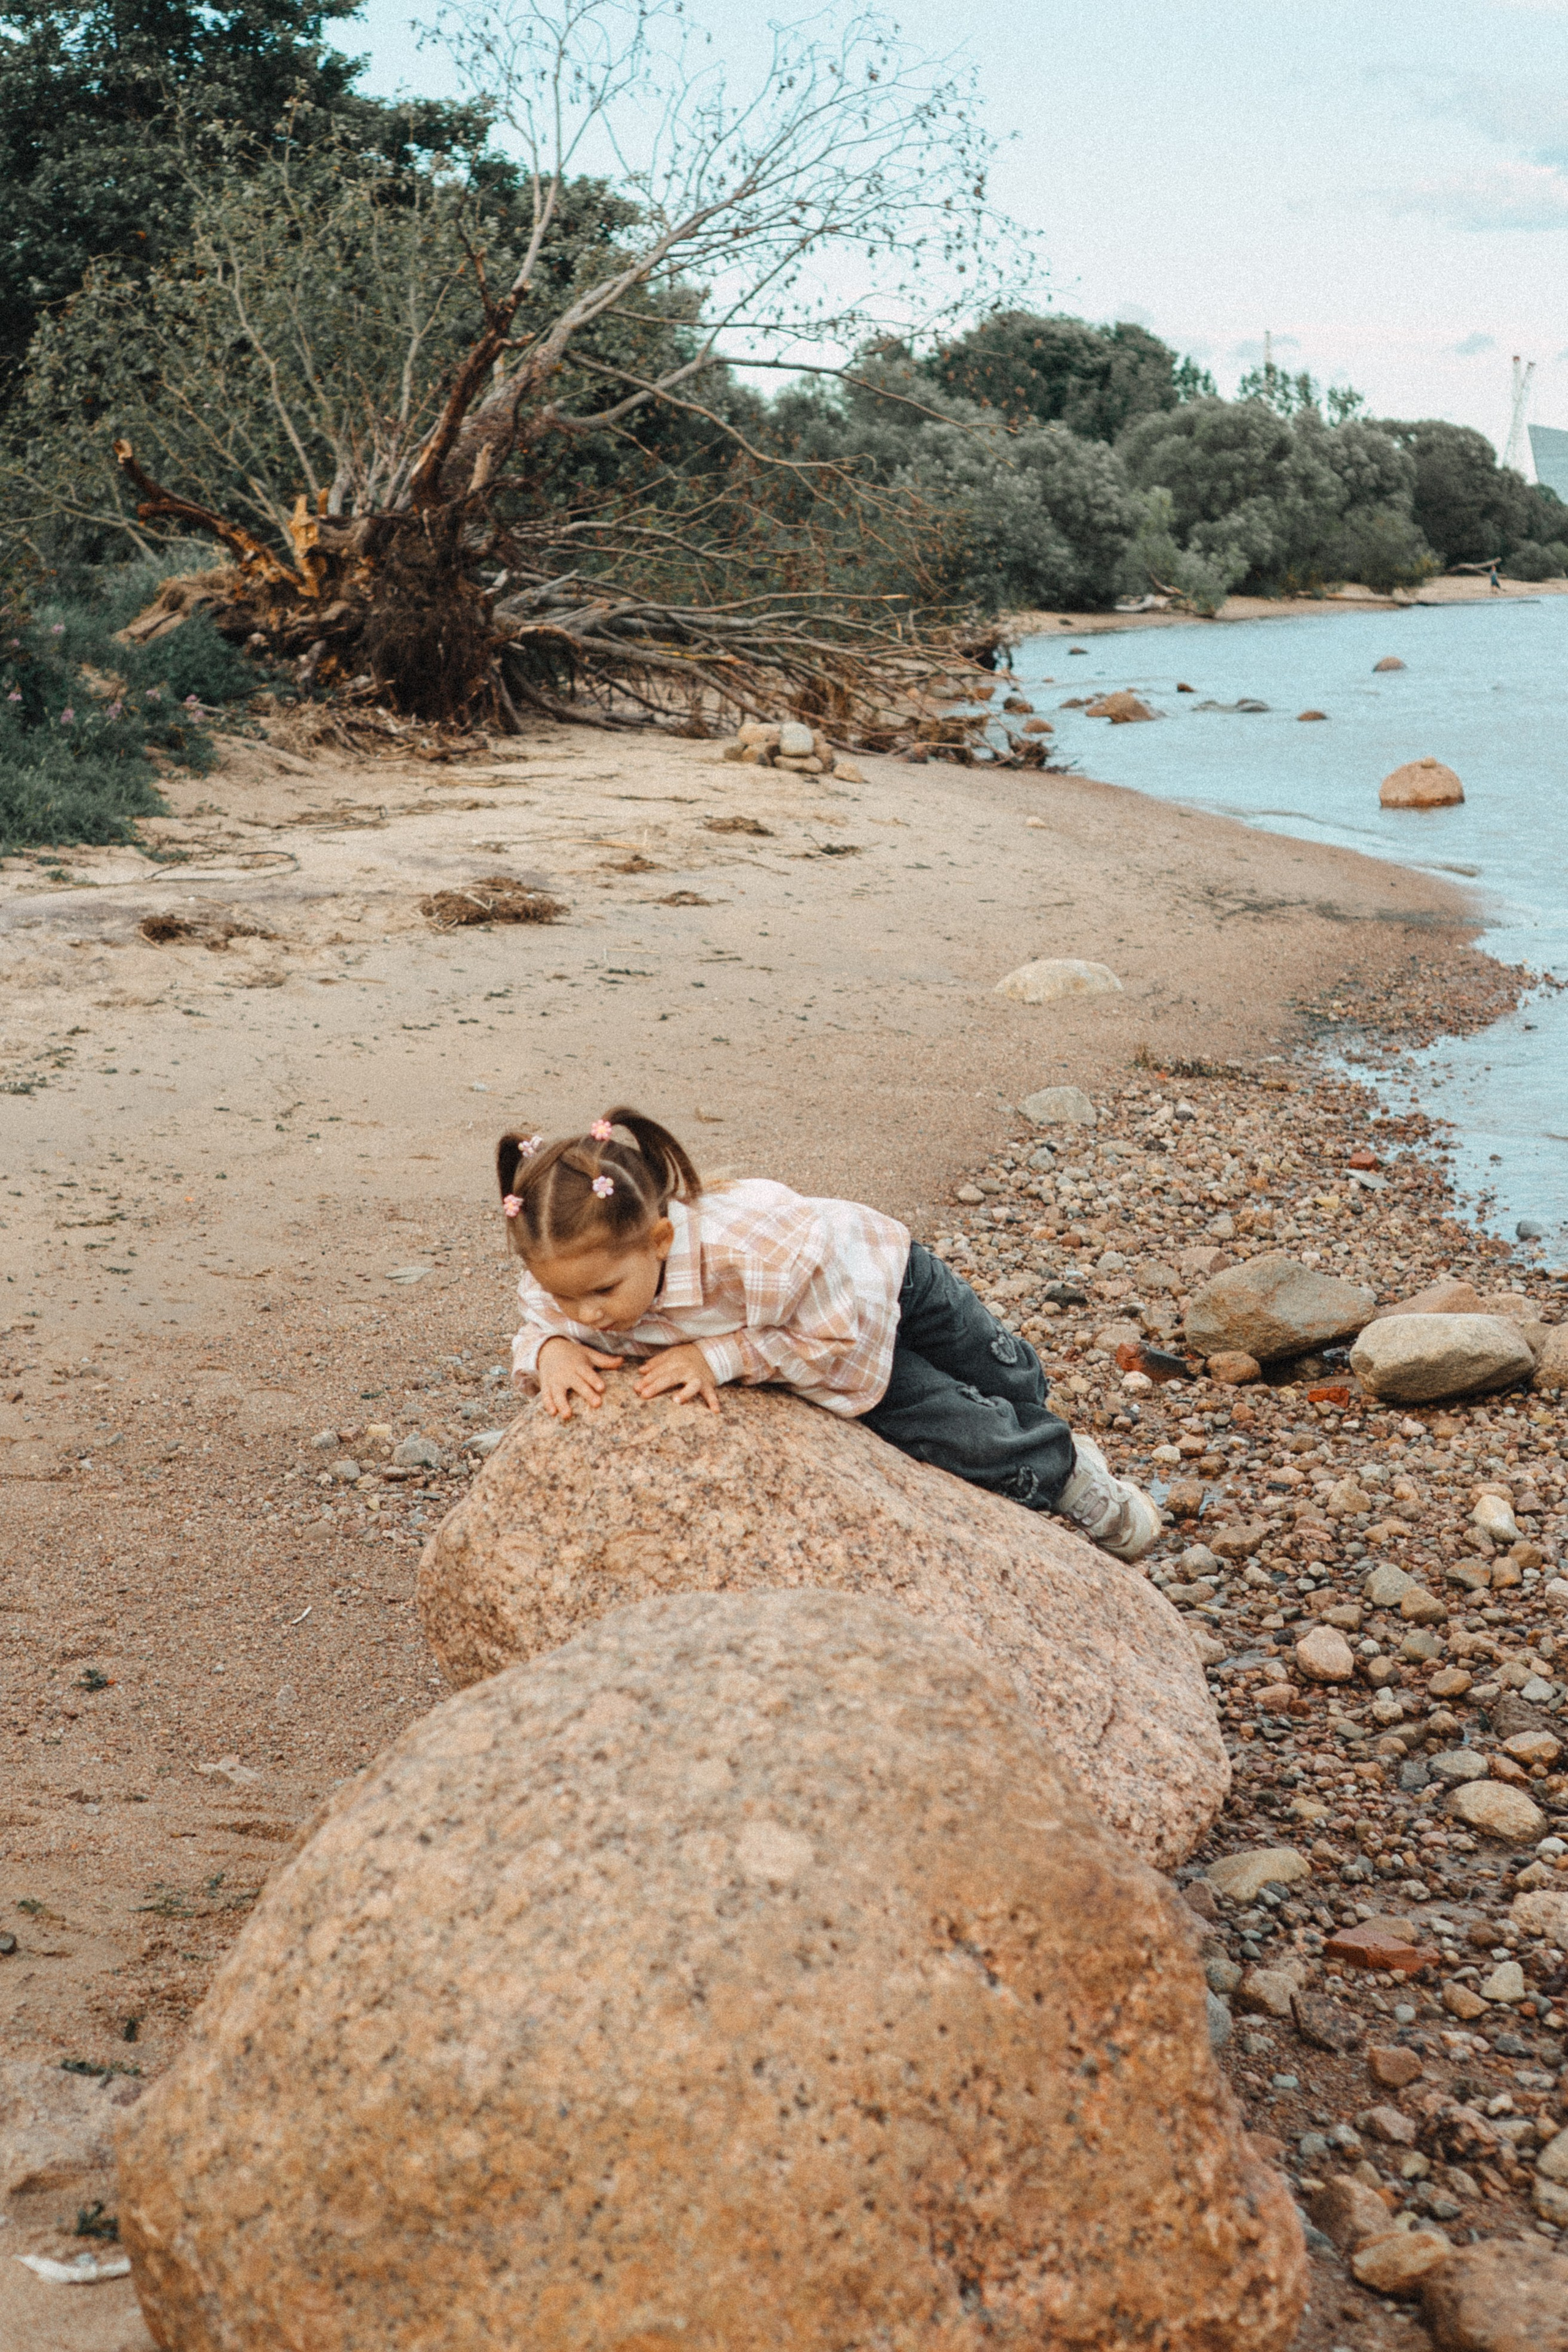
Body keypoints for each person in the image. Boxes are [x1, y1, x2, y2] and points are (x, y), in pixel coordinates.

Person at [498, 1107, 1159, 1563]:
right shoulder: (578, 1284)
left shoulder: (748, 1254)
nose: (586, 1315)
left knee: (1000, 1370)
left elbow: (836, 1332)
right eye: (564, 1296)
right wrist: (549, 1350)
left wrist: (717, 1353)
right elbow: (540, 1323)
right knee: (956, 1429)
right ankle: (1069, 1476)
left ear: (660, 1239)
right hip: (817, 1341)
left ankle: (1042, 1426)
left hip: (878, 1277)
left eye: (602, 1293)